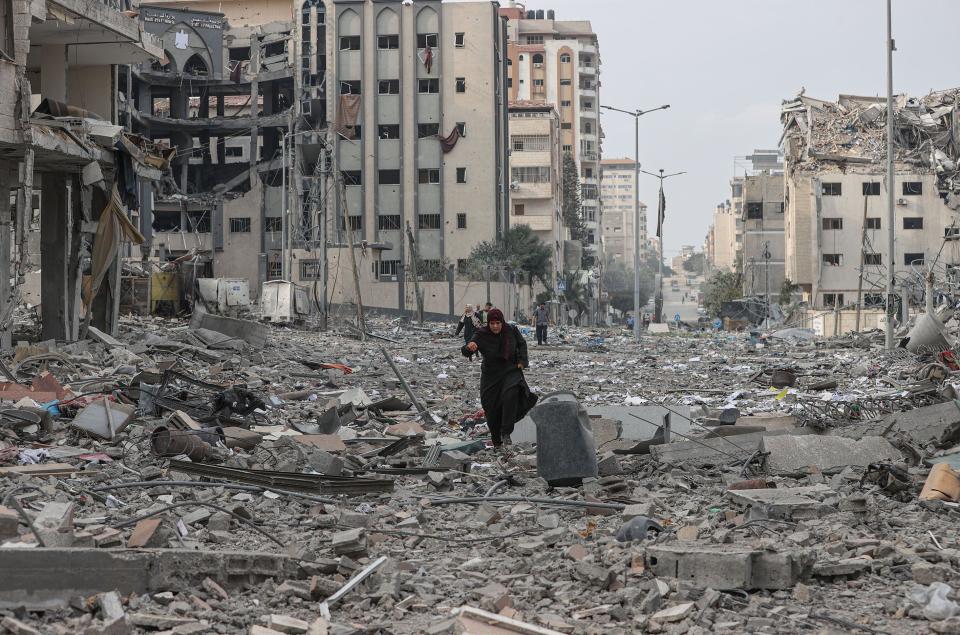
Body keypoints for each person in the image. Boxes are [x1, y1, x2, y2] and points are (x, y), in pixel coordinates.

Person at [462, 308, 537, 449]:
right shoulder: (481, 334)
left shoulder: (511, 330)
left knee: (511, 394)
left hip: (511, 370)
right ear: (488, 324)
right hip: (491, 374)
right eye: (492, 323)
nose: (495, 326)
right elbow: (466, 350)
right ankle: (497, 442)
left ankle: (506, 431)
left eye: (498, 323)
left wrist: (522, 361)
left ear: (502, 322)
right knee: (491, 408)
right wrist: (469, 348)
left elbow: (521, 344)